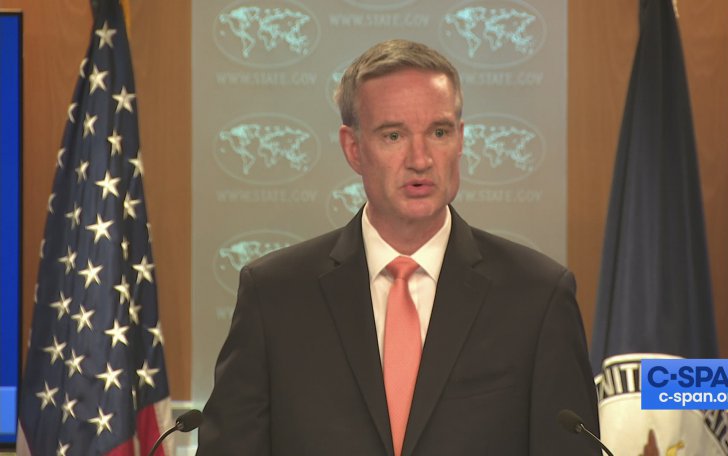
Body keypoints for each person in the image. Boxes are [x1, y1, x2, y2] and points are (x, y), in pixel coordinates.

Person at [197, 39, 600, 455]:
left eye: (439, 132)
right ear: (353, 148)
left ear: (461, 139)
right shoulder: (274, 296)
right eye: (393, 135)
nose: (420, 159)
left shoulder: (537, 297)